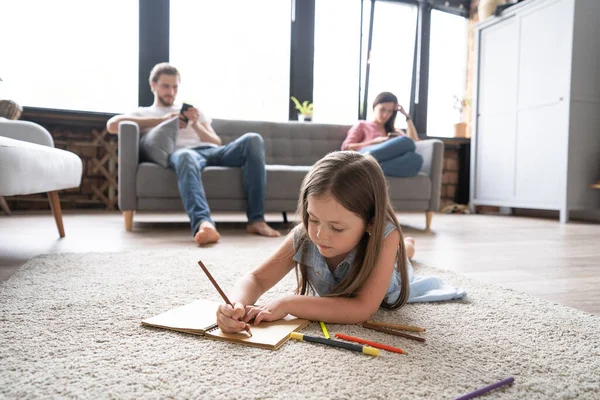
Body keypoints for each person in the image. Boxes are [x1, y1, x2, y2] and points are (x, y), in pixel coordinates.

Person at [217, 151, 465, 334]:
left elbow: (361, 309)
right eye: (313, 219)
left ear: (370, 222)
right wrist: (236, 304)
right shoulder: (305, 234)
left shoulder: (383, 235)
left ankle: (406, 247)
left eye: (336, 227)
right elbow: (257, 279)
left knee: (403, 259)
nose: (320, 236)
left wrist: (287, 303)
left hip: (391, 273)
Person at [106, 63, 280, 245]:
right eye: (166, 86)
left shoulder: (192, 111)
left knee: (253, 139)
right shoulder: (144, 112)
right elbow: (112, 125)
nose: (171, 92)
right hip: (184, 155)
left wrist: (196, 124)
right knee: (185, 155)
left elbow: (216, 142)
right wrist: (161, 120)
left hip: (210, 151)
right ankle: (204, 224)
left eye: (175, 87)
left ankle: (256, 220)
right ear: (153, 85)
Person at [341, 91, 424, 177]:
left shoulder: (395, 131)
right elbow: (346, 147)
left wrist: (407, 117)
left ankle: (370, 168)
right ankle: (365, 161)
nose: (385, 115)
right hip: (363, 154)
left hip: (384, 161)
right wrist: (374, 142)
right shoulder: (363, 125)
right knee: (406, 141)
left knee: (417, 159)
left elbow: (414, 141)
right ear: (374, 107)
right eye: (382, 109)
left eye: (390, 111)